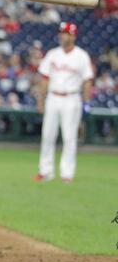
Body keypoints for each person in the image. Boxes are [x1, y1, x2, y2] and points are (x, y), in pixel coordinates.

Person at [35, 22, 94, 183]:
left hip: (71, 98)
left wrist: (86, 101)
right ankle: (45, 171)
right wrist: (41, 99)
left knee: (69, 137)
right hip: (53, 98)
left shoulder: (81, 56)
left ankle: (67, 173)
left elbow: (87, 80)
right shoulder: (53, 54)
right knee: (47, 135)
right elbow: (44, 78)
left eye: (66, 33)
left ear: (73, 36)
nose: (62, 35)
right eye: (61, 32)